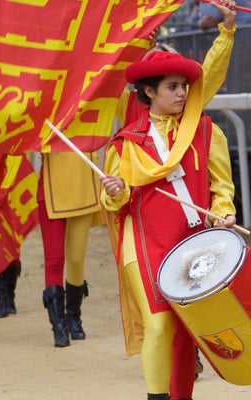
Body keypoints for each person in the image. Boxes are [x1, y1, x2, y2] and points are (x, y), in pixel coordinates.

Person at [99, 51, 237, 400]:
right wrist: (115, 192)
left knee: (184, 332)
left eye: (185, 87)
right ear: (149, 92)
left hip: (191, 241)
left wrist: (224, 211)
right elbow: (117, 201)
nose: (182, 94)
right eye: (172, 87)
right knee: (159, 324)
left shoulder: (205, 130)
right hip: (143, 239)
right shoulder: (126, 143)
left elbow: (221, 186)